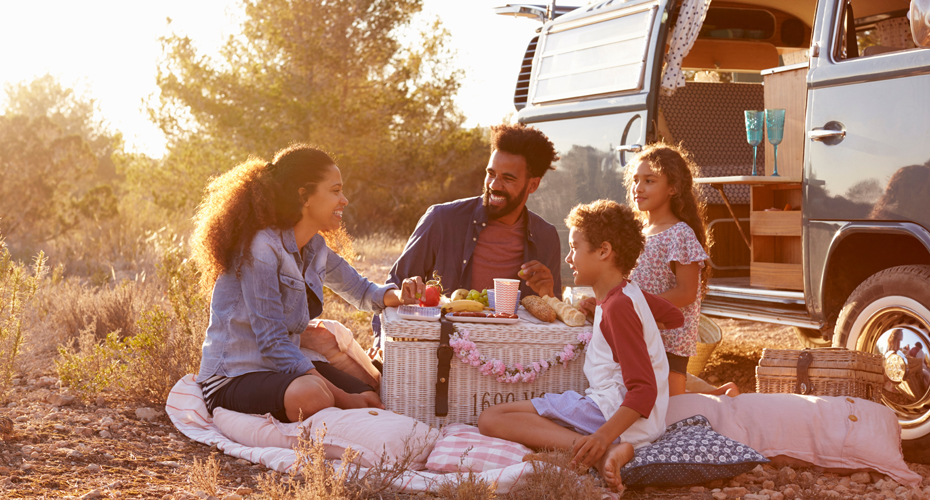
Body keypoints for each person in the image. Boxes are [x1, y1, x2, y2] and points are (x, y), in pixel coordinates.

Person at [192, 144, 423, 423]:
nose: (344, 200)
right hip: (233, 375)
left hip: (278, 371)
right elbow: (272, 341)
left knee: (369, 391)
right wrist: (345, 399)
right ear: (304, 196)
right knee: (314, 396)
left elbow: (362, 291)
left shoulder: (315, 247)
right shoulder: (261, 248)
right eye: (335, 191)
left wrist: (402, 294)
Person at [478, 200, 684, 492]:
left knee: (491, 418)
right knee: (511, 417)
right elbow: (674, 317)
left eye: (574, 247)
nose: (568, 258)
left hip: (612, 414)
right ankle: (596, 448)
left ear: (603, 251)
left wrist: (600, 438)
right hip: (636, 422)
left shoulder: (618, 308)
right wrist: (605, 309)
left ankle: (597, 453)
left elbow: (644, 390)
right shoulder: (626, 294)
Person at [372, 123, 562, 349]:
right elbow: (391, 289)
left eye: (508, 179)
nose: (493, 185)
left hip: (513, 356)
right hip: (444, 353)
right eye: (490, 173)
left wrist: (548, 294)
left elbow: (553, 320)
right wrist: (379, 345)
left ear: (533, 185)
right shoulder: (441, 219)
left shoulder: (546, 236)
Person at [623, 143, 737, 397]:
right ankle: (719, 393)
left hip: (669, 338)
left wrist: (636, 304)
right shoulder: (637, 233)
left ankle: (723, 398)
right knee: (646, 399)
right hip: (640, 331)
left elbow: (686, 293)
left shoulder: (679, 234)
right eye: (635, 180)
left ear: (673, 188)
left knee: (673, 408)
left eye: (649, 181)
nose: (638, 188)